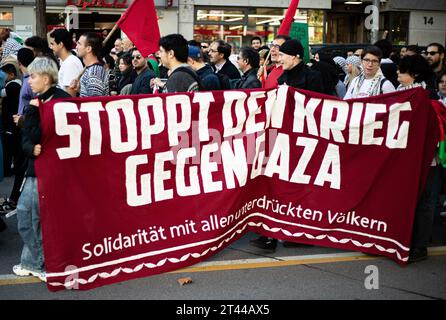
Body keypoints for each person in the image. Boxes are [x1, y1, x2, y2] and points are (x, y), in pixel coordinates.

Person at [12, 57, 71, 281]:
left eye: (33, 77)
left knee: (35, 218)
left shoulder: (62, 102)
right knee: (28, 216)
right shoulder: (37, 102)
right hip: (36, 169)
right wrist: (30, 148)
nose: (29, 81)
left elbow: (59, 137)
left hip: (51, 172)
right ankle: (34, 262)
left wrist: (35, 116)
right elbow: (27, 138)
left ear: (46, 79)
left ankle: (40, 264)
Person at [0, 63, 22, 213]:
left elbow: (2, 93)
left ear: (11, 74)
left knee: (9, 148)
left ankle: (7, 169)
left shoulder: (13, 85)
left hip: (11, 123)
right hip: (12, 123)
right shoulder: (17, 84)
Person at [72, 32, 109, 97]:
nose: (76, 46)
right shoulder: (91, 69)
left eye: (79, 44)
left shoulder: (94, 73)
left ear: (88, 49)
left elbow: (94, 102)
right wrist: (79, 89)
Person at [48, 28, 84, 97]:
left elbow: (70, 96)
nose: (50, 47)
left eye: (52, 44)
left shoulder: (70, 64)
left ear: (61, 44)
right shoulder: (68, 61)